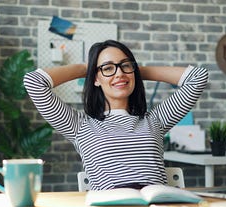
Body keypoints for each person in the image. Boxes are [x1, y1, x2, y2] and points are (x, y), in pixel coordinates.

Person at [24, 40, 208, 190]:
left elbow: (198, 78)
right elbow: (34, 82)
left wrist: (133, 71)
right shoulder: (79, 126)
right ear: (95, 78)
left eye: (125, 65)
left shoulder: (155, 121)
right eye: (108, 68)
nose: (119, 73)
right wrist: (87, 69)